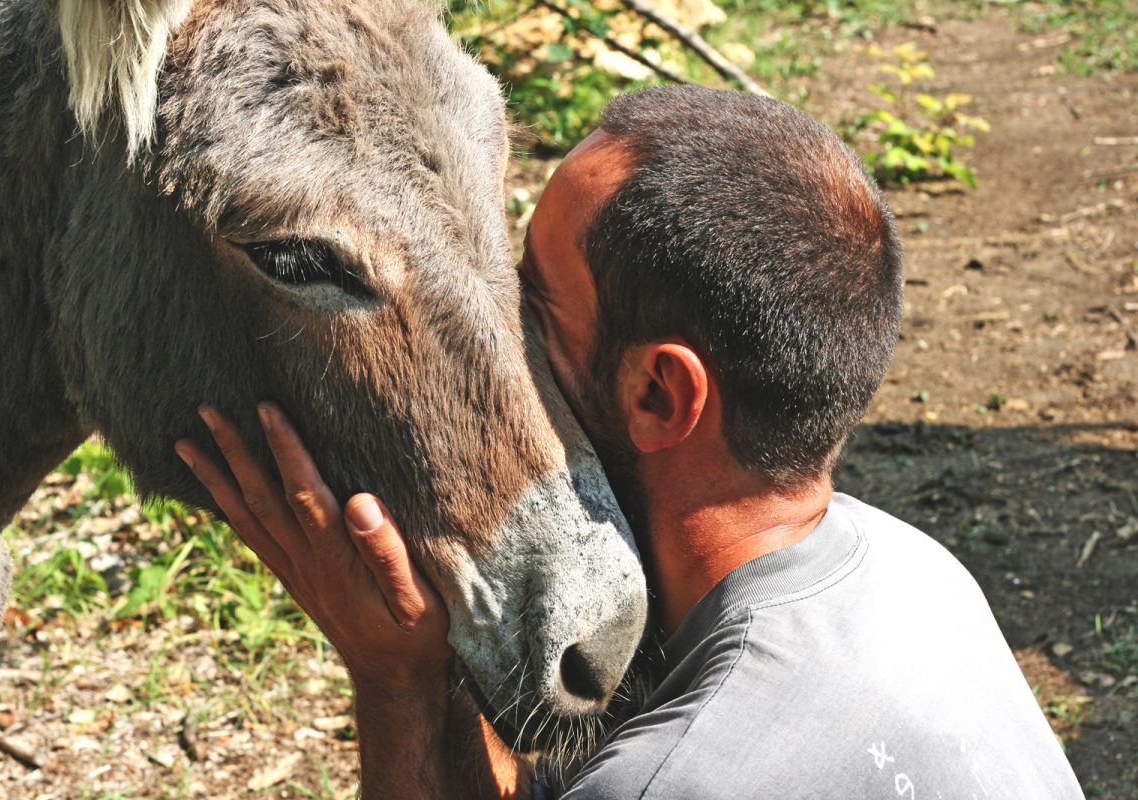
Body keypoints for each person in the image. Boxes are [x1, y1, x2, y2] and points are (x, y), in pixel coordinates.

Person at [174, 87, 1084, 798]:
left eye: (530, 305)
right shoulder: (920, 577)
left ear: (660, 393)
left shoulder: (678, 781)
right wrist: (431, 654)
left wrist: (393, 685)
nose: (500, 348)